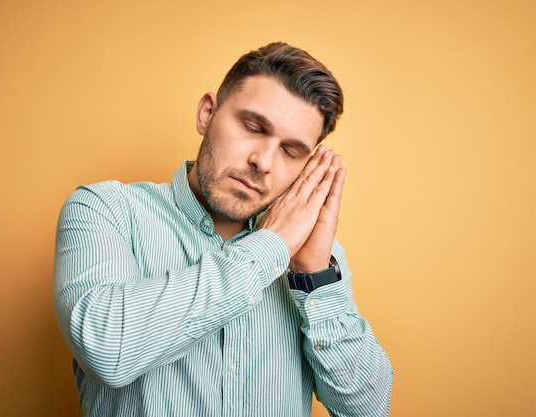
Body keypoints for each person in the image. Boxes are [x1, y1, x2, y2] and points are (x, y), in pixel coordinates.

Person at [54, 42, 394, 417]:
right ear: (207, 113)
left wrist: (313, 276)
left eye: (291, 151)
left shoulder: (313, 260)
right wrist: (271, 246)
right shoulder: (105, 210)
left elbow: (368, 409)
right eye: (252, 127)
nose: (263, 162)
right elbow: (106, 350)